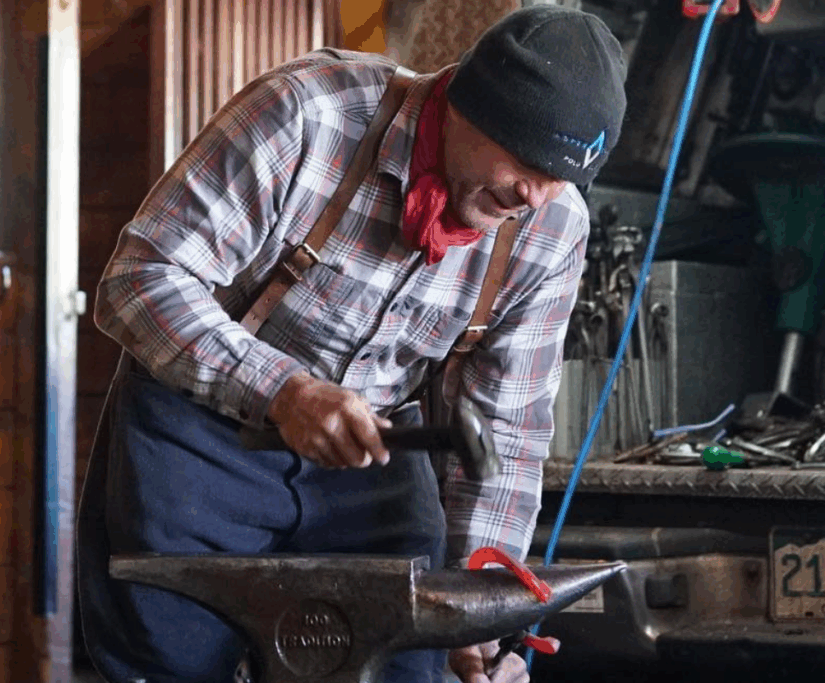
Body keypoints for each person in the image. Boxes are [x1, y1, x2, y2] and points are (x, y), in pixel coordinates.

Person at [76, 5, 627, 683]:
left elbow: (506, 437)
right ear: (465, 104)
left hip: (374, 455)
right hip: (200, 444)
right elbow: (138, 279)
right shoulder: (310, 114)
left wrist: (483, 615)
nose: (534, 195)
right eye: (528, 161)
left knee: (408, 662)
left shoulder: (550, 227)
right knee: (172, 663)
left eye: (560, 179)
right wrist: (282, 389)